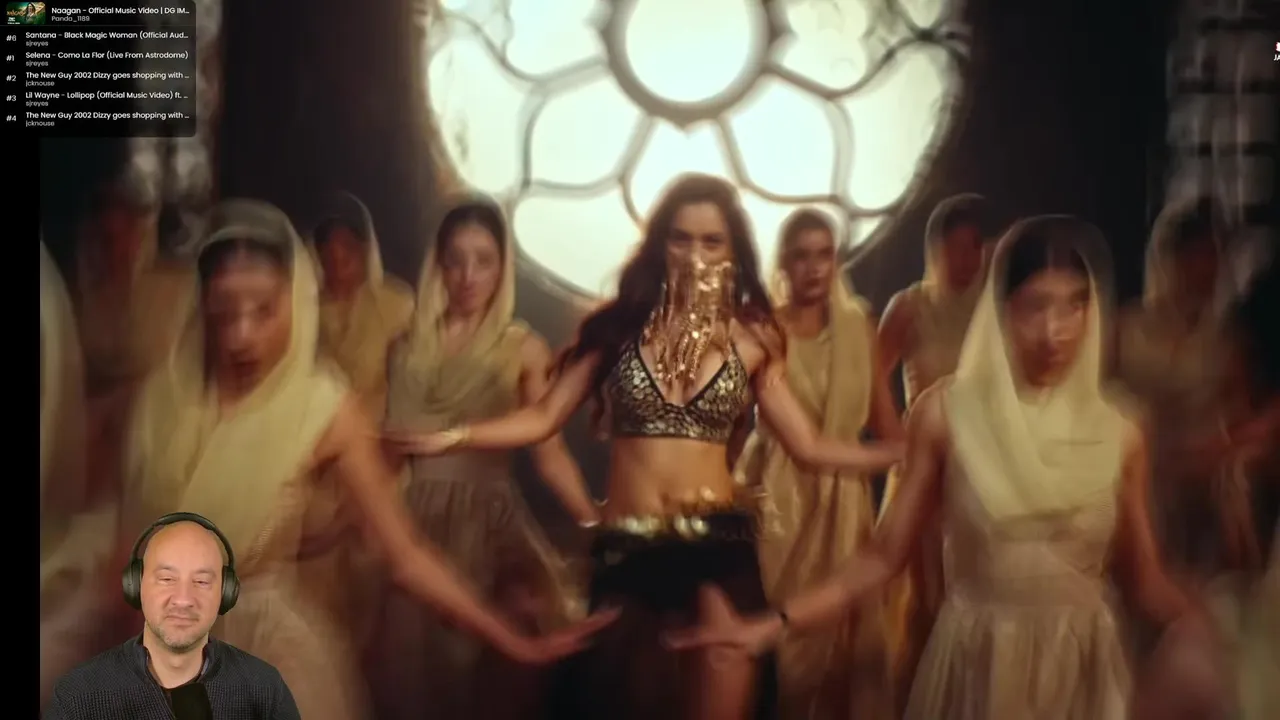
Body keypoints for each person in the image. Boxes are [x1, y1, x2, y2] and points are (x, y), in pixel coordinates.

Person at [667, 215, 1222, 719]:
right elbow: (883, 556)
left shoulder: (1120, 431)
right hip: (981, 664)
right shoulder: (948, 414)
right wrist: (773, 625)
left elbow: (1145, 580)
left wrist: (1217, 633)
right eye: (1036, 307)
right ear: (1002, 310)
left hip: (1082, 668)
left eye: (1074, 306)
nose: (1056, 331)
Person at [390, 174, 903, 719]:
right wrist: (457, 435)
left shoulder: (754, 339)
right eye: (681, 238)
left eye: (712, 241)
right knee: (615, 697)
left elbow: (810, 447)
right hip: (630, 546)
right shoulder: (616, 330)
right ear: (660, 244)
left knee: (723, 673)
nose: (695, 254)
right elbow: (543, 417)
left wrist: (902, 451)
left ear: (733, 252)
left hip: (716, 547)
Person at [113, 198, 615, 720]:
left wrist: (515, 640)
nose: (242, 334)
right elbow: (124, 559)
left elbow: (408, 553)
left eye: (263, 310)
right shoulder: (160, 403)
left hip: (265, 645)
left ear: (296, 303)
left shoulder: (321, 408)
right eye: (224, 311)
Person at [370, 194, 596, 720]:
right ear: (438, 265)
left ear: (503, 268)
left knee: (489, 672)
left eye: (484, 261)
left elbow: (548, 451)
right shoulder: (405, 346)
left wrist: (596, 520)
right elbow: (385, 455)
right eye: (455, 260)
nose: (469, 276)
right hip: (412, 521)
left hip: (487, 523)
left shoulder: (522, 348)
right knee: (410, 681)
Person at [734, 208, 901, 719]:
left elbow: (886, 421)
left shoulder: (858, 326)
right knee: (781, 631)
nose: (814, 267)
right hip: (777, 495)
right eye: (801, 256)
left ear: (837, 261)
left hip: (846, 496)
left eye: (824, 254)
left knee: (845, 634)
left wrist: (916, 461)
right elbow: (736, 425)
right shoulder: (763, 330)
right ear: (784, 263)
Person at [875, 193, 990, 697]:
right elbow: (872, 379)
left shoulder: (994, 308)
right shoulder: (910, 306)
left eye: (975, 247)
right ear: (935, 250)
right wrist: (898, 441)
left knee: (974, 589)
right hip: (923, 463)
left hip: (983, 464)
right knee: (923, 597)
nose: (966, 259)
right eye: (956, 248)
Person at [293, 191, 414, 653]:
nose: (338, 257)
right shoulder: (303, 312)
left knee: (372, 574)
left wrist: (388, 457)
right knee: (313, 584)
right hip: (318, 460)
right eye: (328, 247)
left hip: (382, 456)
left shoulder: (396, 305)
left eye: (348, 245)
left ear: (366, 248)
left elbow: (408, 390)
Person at [1114, 196, 1256, 577]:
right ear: (1168, 261)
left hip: (1201, 480)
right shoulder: (1126, 328)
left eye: (1213, 259)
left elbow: (1240, 415)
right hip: (1136, 472)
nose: (1205, 271)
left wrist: (1222, 453)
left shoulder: (1225, 339)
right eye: (1194, 258)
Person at [45, 514, 300, 719]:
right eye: (167, 579)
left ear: (225, 593)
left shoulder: (265, 689)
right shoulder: (77, 697)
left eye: (202, 582)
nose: (183, 599)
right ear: (136, 585)